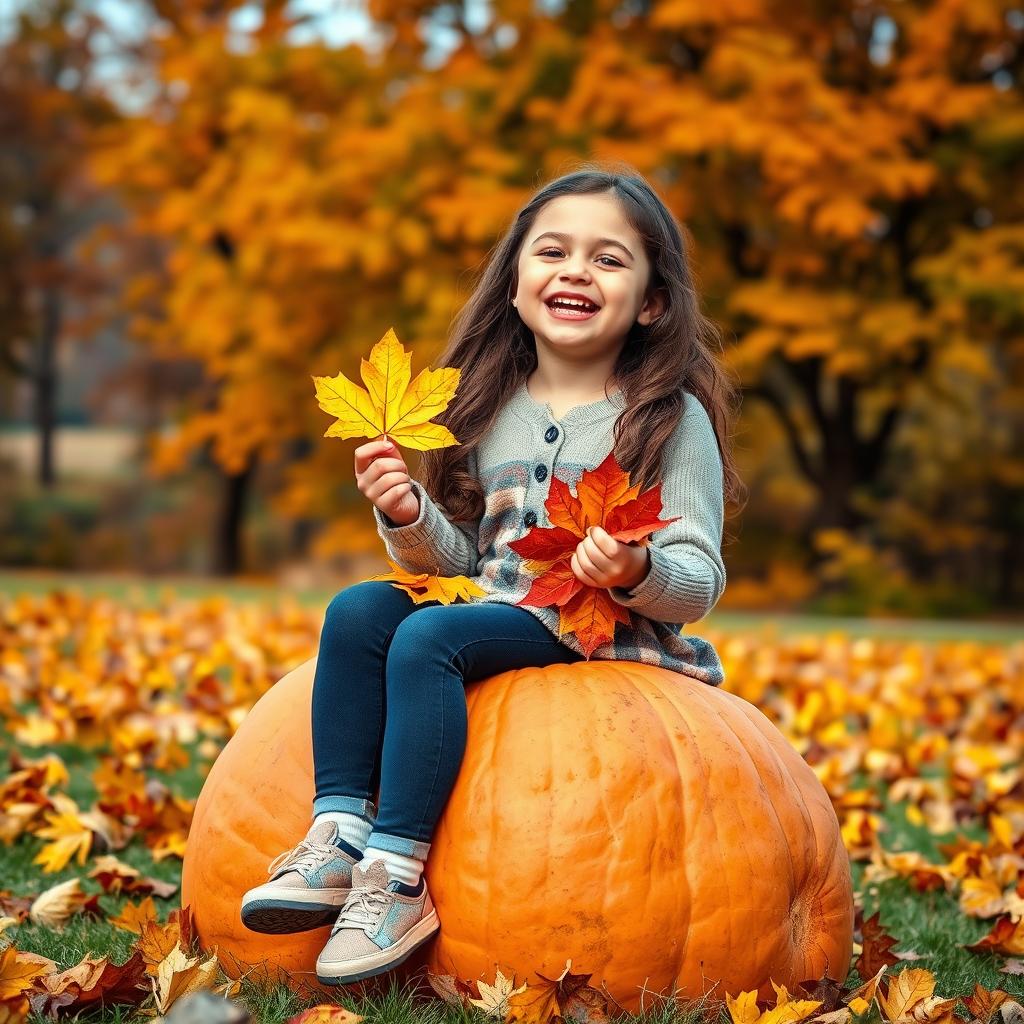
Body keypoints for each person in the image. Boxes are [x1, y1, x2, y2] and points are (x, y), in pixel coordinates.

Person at [240, 162, 744, 987]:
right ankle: (337, 834)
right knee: (361, 610)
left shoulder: (666, 416)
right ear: (516, 283)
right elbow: (468, 565)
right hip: (497, 607)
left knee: (432, 636)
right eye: (554, 252)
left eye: (609, 260)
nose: (577, 270)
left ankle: (395, 876)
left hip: (601, 635)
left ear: (652, 301)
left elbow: (699, 578)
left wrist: (634, 566)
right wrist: (407, 514)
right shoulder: (485, 403)